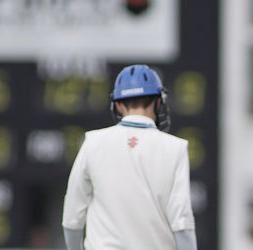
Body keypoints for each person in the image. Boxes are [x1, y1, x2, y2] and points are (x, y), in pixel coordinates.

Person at [62, 64, 198, 250]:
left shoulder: (93, 142)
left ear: (118, 104)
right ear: (159, 102)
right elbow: (182, 222)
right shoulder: (175, 148)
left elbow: (72, 216)